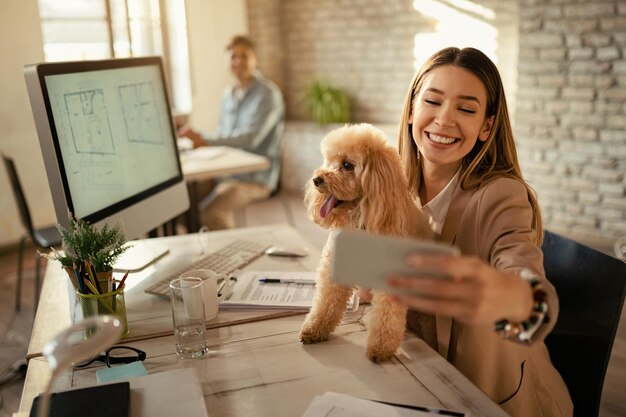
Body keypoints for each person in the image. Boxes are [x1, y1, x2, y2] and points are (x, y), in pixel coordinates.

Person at [386, 47, 573, 417]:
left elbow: (527, 282)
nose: (444, 120)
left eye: (466, 109)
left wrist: (511, 296)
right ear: (411, 109)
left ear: (486, 126)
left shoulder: (501, 195)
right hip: (415, 378)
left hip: (490, 399)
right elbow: (367, 276)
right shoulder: (395, 186)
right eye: (433, 101)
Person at [178, 35, 285, 230]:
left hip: (255, 178)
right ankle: (202, 252)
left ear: (255, 59)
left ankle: (232, 256)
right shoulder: (228, 94)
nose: (238, 61)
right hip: (224, 172)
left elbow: (250, 139)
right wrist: (198, 138)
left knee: (212, 212)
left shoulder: (268, 94)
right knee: (181, 204)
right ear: (226, 61)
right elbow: (223, 132)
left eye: (244, 56)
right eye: (233, 56)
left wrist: (203, 139)